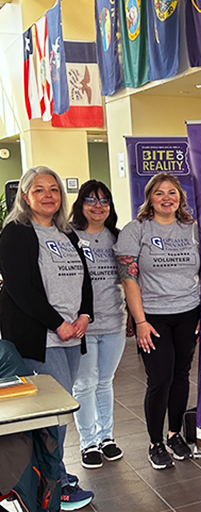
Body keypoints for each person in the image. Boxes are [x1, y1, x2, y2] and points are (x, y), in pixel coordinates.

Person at [0, 166, 95, 510]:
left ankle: (56, 477)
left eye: (53, 189)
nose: (48, 195)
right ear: (25, 196)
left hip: (71, 335)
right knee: (50, 418)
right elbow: (19, 289)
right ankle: (54, 486)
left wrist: (85, 315)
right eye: (39, 189)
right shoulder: (15, 233)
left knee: (60, 412)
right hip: (42, 339)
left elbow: (83, 280)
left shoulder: (66, 233)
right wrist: (58, 324)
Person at [114, 172, 201, 470]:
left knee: (180, 376)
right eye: (160, 193)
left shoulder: (192, 229)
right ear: (149, 198)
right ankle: (155, 442)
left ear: (180, 198)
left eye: (172, 192)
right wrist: (139, 321)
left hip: (188, 312)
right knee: (160, 378)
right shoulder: (136, 229)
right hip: (153, 317)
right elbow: (129, 279)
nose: (167, 198)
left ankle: (175, 434)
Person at [69, 180, 128, 470]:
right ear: (81, 204)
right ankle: (88, 442)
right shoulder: (69, 237)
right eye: (91, 200)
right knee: (85, 384)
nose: (98, 206)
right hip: (82, 326)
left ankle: (106, 437)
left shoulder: (117, 238)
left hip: (114, 322)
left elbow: (129, 280)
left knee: (105, 382)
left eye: (104, 201)